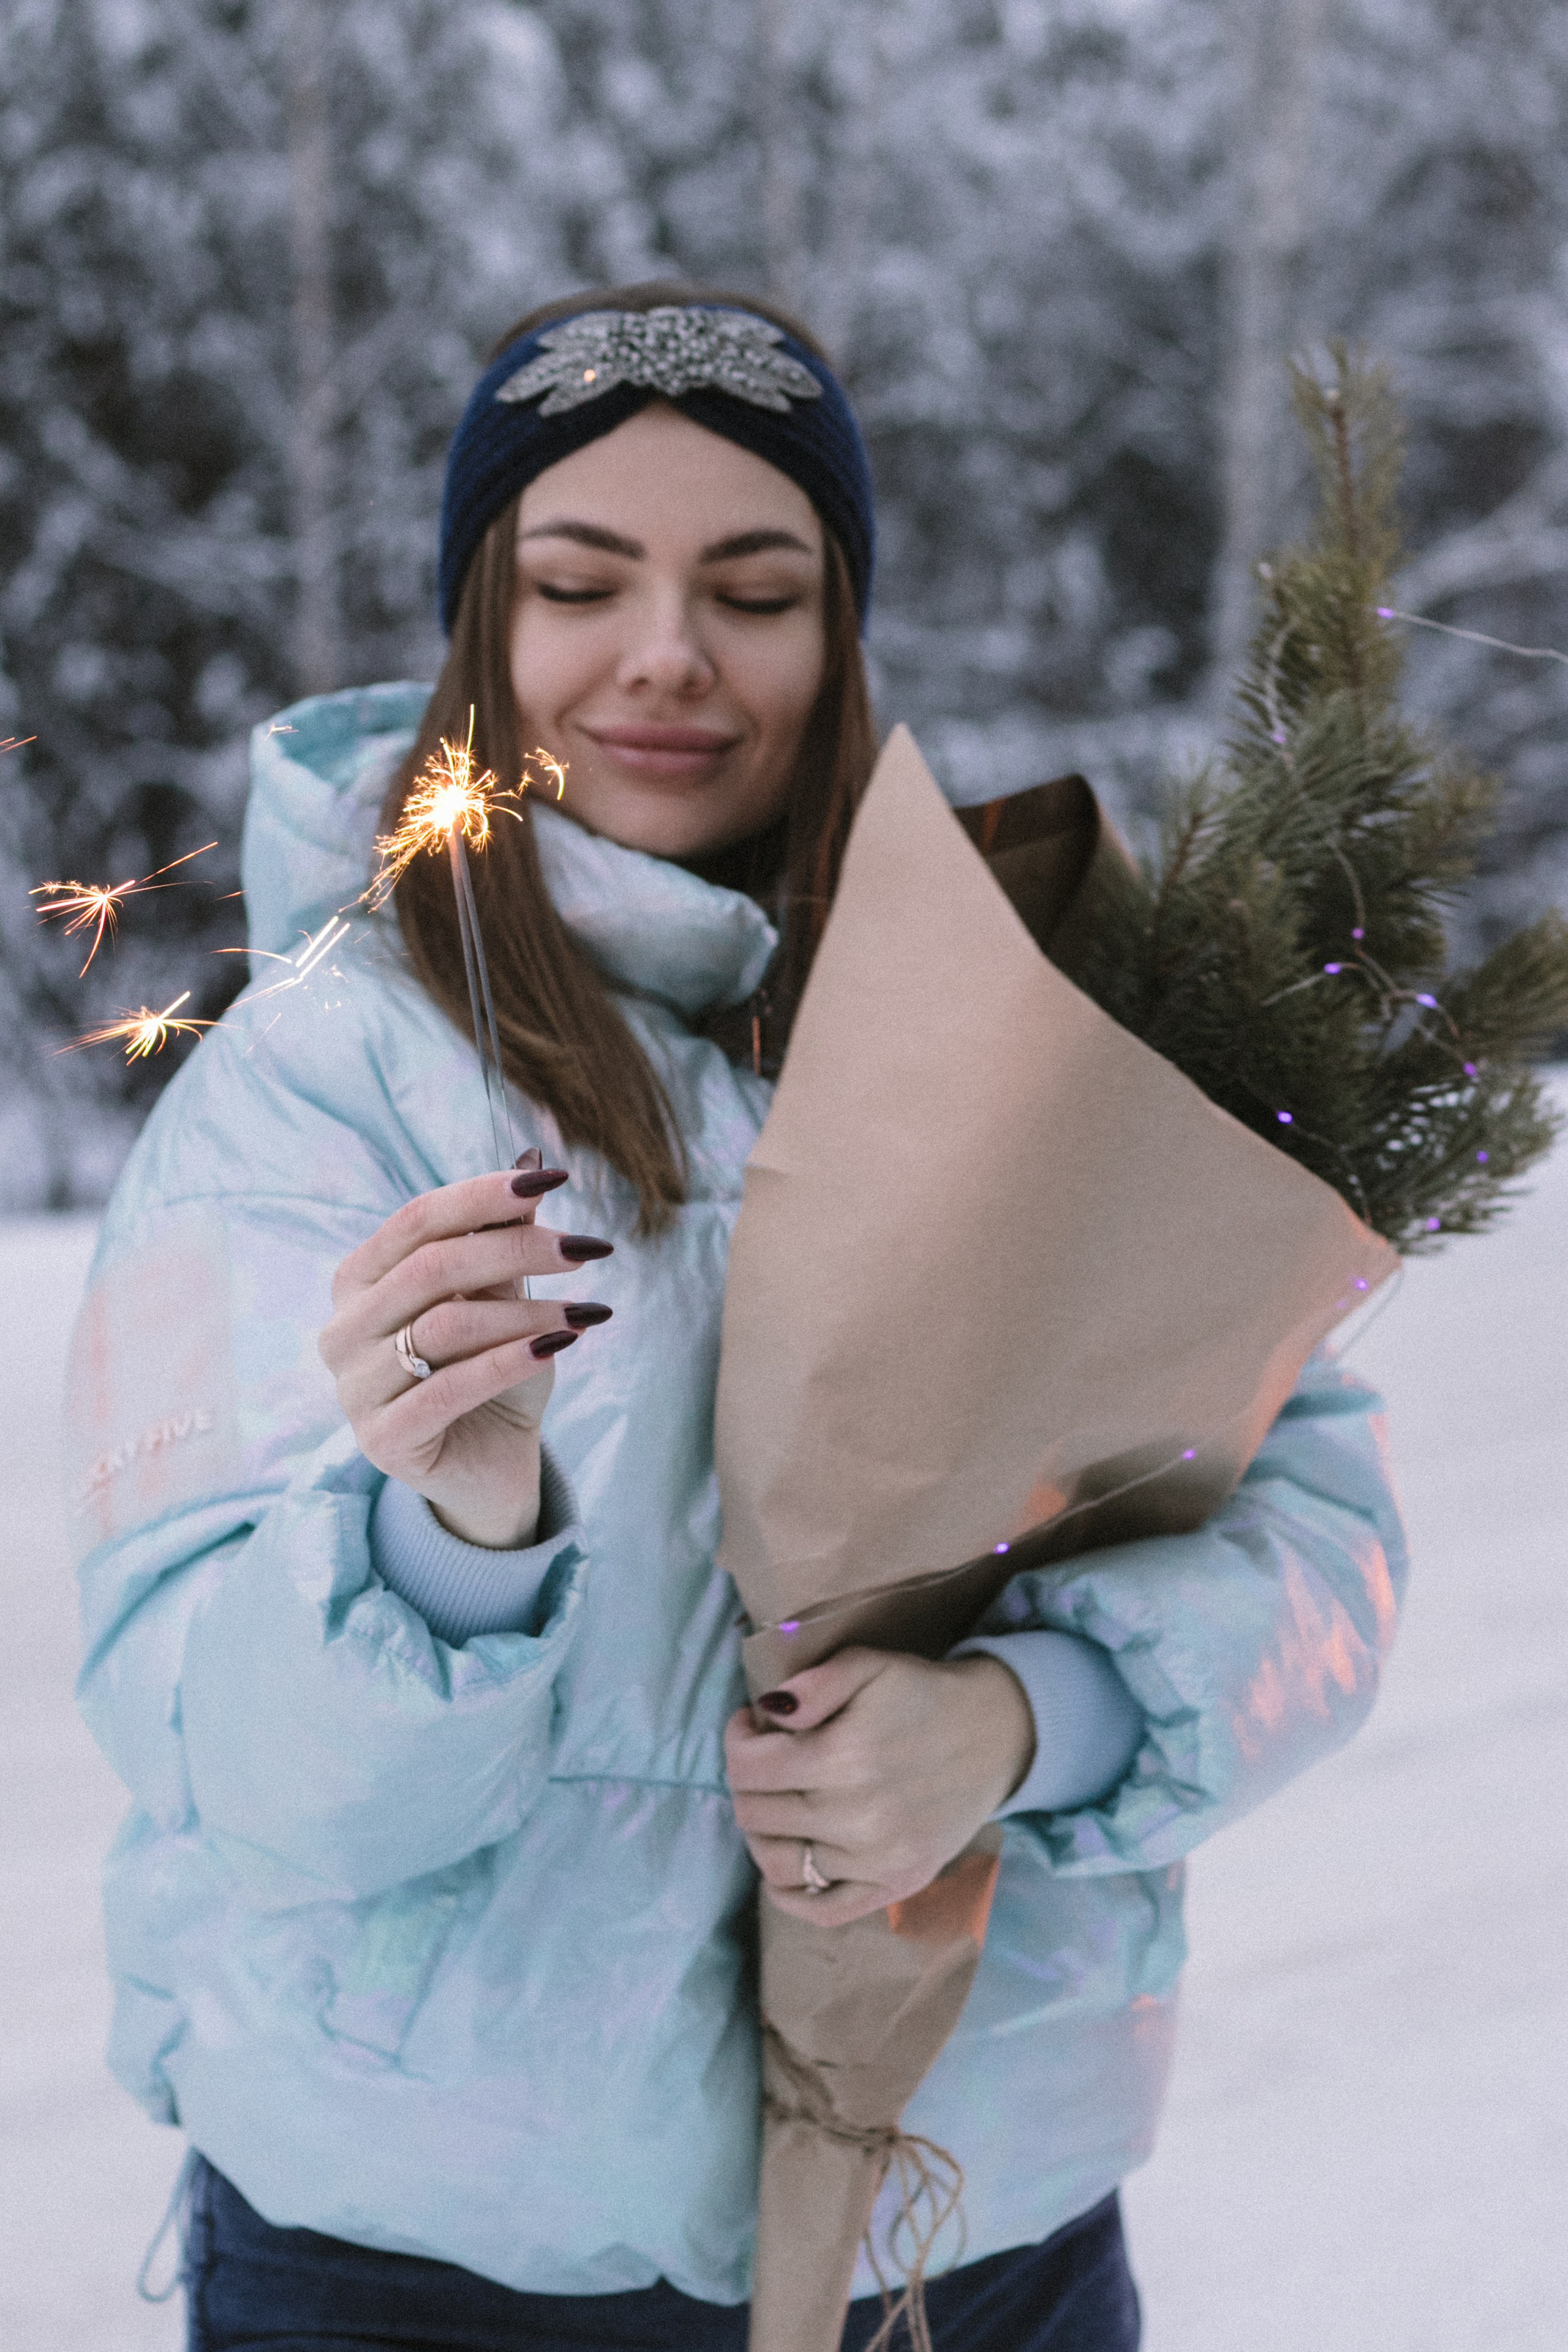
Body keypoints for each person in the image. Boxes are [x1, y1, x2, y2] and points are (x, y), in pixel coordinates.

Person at [69, 283, 1408, 2352]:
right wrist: (444, 1552)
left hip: (964, 2246)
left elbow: (1322, 1543)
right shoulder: (319, 1083)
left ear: (839, 632)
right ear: (481, 632)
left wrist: (1029, 1723)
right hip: (422, 2276)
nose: (669, 654)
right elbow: (224, 1765)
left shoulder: (1041, 1026)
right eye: (582, 582)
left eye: (756, 587)